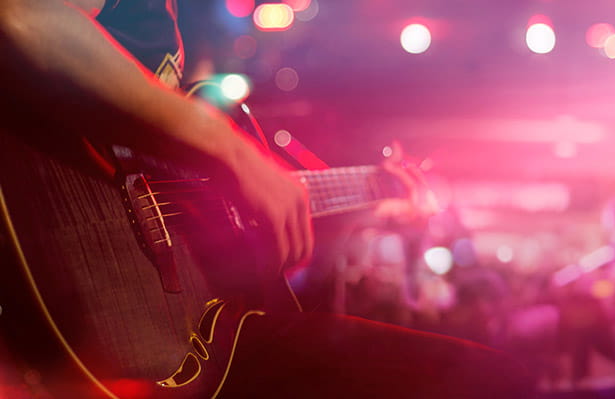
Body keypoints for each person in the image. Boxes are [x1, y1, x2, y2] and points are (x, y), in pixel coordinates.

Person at [0, 1, 533, 397]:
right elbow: (23, 15)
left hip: (180, 333)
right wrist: (227, 147)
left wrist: (351, 213)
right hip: (103, 310)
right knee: (489, 382)